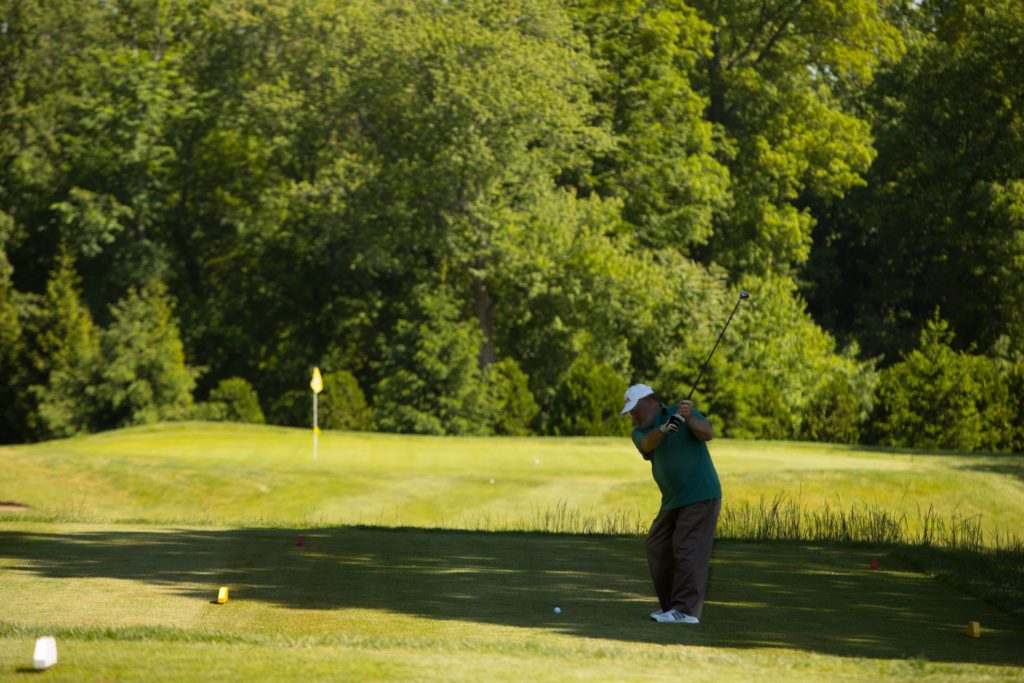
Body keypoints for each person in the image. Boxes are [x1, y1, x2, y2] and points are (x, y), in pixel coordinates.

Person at [621, 383, 721, 624]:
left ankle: (685, 611)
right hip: (673, 500)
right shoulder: (639, 432)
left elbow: (707, 433)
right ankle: (672, 607)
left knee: (687, 549)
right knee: (656, 545)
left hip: (700, 494)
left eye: (634, 409)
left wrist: (687, 419)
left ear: (648, 402)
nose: (632, 415)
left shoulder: (680, 410)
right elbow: (647, 444)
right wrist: (666, 428)